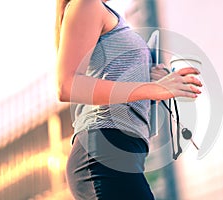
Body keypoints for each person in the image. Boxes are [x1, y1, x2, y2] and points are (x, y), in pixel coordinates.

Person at [55, 0, 202, 199]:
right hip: (103, 152)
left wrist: (147, 77)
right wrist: (152, 88)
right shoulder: (86, 4)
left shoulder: (106, 12)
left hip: (125, 154)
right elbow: (67, 85)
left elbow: (112, 81)